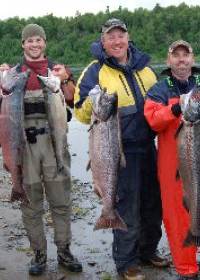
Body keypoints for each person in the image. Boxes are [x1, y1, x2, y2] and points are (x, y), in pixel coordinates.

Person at [74, 18, 168, 280]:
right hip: (116, 152)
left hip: (149, 147)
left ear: (128, 38)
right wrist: (92, 105)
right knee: (126, 206)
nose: (117, 41)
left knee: (153, 205)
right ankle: (126, 262)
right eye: (110, 37)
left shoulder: (146, 70)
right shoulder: (94, 71)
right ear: (103, 42)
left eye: (120, 36)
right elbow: (81, 114)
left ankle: (148, 250)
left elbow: (160, 106)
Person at [0, 23, 82, 276]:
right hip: (23, 145)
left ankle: (64, 250)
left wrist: (65, 79)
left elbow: (73, 99)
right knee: (31, 202)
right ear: (23, 44)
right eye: (29, 40)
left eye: (38, 40)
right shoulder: (13, 72)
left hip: (54, 142)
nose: (34, 44)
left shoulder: (57, 70)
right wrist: (1, 79)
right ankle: (39, 254)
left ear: (45, 43)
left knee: (61, 200)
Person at [144, 40, 200, 279]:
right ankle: (186, 266)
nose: (181, 60)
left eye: (186, 55)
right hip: (172, 163)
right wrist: (175, 110)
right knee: (177, 213)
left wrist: (196, 109)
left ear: (193, 60)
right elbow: (152, 120)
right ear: (168, 60)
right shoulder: (159, 89)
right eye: (176, 55)